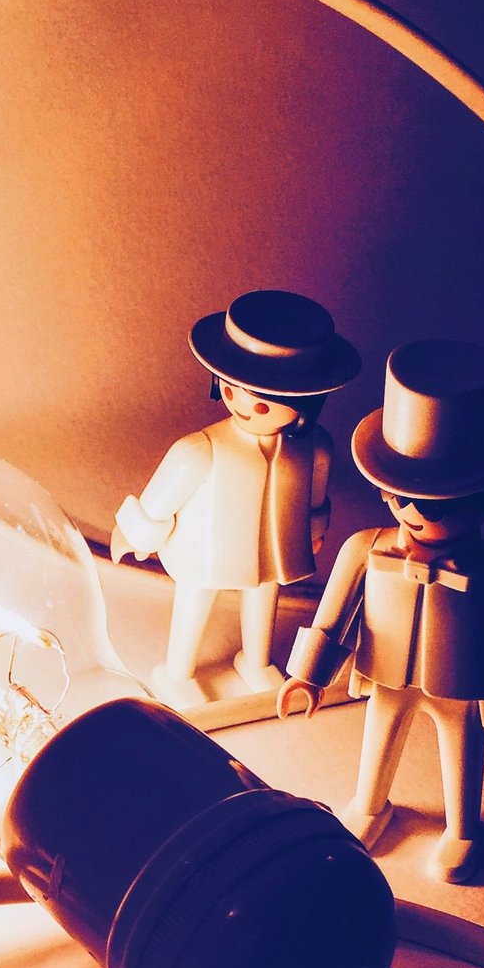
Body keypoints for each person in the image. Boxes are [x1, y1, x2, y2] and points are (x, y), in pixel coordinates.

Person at [279, 340, 484, 883]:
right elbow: (333, 617)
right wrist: (308, 675)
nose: (411, 512)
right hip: (385, 674)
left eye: (437, 504)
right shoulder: (364, 549)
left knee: (460, 756)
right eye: (398, 496)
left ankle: (464, 830)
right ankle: (370, 806)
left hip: (462, 683)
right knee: (377, 743)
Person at [111, 289, 361, 707]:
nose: (243, 404)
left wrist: (314, 530)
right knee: (195, 598)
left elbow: (315, 498)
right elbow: (158, 503)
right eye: (231, 390)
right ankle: (177, 671)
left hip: (273, 546)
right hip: (204, 548)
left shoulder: (314, 448)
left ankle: (256, 661)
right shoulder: (199, 450)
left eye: (262, 405)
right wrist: (135, 535)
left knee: (264, 595)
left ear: (305, 405)